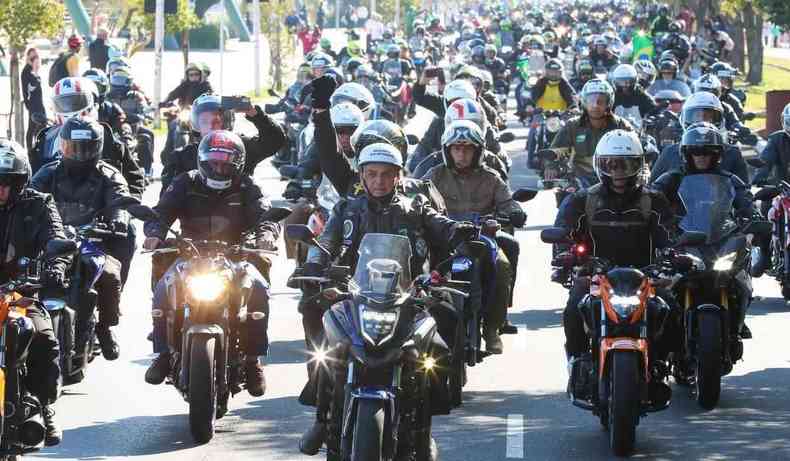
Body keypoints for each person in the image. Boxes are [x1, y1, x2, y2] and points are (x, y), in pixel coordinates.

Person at [298, 141, 472, 457]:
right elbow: (326, 240)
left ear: (398, 176)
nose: (379, 181)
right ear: (362, 176)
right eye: (372, 174)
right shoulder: (346, 209)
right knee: (315, 318)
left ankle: (427, 419)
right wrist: (314, 264)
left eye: (386, 174)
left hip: (408, 296)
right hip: (355, 294)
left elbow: (440, 225)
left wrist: (458, 230)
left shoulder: (415, 208)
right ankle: (322, 417)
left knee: (447, 316)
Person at [142, 130, 278, 397]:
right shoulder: (185, 182)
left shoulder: (248, 187)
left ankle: (252, 361)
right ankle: (163, 352)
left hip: (235, 257)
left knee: (259, 290)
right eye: (214, 162)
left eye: (225, 163)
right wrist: (155, 233)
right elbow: (162, 212)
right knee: (162, 289)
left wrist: (266, 235)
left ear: (237, 164)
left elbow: (266, 216)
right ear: (203, 161)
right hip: (190, 255)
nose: (219, 168)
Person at [556, 129, 675, 402]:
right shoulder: (583, 199)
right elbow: (562, 230)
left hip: (644, 277)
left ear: (639, 165)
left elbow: (670, 234)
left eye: (626, 164)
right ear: (601, 165)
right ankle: (577, 363)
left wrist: (673, 254)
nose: (619, 172)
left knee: (671, 308)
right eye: (612, 164)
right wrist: (567, 254)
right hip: (597, 276)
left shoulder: (653, 200)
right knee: (575, 308)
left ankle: (661, 364)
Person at [31, 116, 132, 363]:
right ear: (62, 146)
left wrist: (119, 217)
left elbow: (121, 200)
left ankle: (105, 328)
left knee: (108, 274)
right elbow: (31, 195)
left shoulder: (109, 175)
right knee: (30, 273)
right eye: (72, 148)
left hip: (93, 241)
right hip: (55, 240)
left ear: (96, 148)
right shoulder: (49, 172)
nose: (78, 154)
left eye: (85, 148)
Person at [424, 120, 526, 353]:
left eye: (468, 148)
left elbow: (508, 202)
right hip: (445, 239)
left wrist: (515, 213)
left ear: (478, 150)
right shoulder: (434, 175)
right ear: (447, 150)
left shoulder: (491, 178)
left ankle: (492, 328)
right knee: (423, 272)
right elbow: (417, 197)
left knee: (501, 265)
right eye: (456, 148)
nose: (462, 153)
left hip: (483, 239)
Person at [651, 122, 754, 337]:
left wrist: (753, 216)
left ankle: (738, 319)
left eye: (708, 152)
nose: (702, 157)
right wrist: (657, 220)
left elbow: (745, 200)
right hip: (683, 239)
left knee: (741, 269)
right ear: (687, 153)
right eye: (696, 151)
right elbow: (652, 200)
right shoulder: (671, 179)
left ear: (717, 154)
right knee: (659, 288)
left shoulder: (730, 180)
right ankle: (664, 332)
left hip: (720, 238)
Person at [0, 139, 64, 447]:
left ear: (19, 182)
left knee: (42, 338)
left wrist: (56, 267)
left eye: (5, 182)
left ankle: (44, 406)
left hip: (19, 294)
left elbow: (56, 236)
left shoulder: (38, 203)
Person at [161, 93, 286, 192]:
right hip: (197, 220)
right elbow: (165, 202)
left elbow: (276, 140)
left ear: (226, 122)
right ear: (196, 125)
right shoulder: (182, 157)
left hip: (240, 220)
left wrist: (254, 113)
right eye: (205, 121)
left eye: (216, 120)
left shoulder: (242, 148)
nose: (211, 125)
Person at [650, 91, 749, 184]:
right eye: (696, 117)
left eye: (708, 117)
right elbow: (653, 189)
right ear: (684, 118)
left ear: (720, 120)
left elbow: (744, 191)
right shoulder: (670, 152)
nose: (702, 121)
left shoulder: (732, 153)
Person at [22, 47, 47, 149]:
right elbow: (31, 88)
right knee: (38, 128)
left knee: (34, 128)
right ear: (28, 58)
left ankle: (33, 150)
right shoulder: (27, 71)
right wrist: (36, 72)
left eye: (36, 56)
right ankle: (34, 150)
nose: (35, 59)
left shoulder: (31, 69)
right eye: (32, 57)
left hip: (36, 103)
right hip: (34, 104)